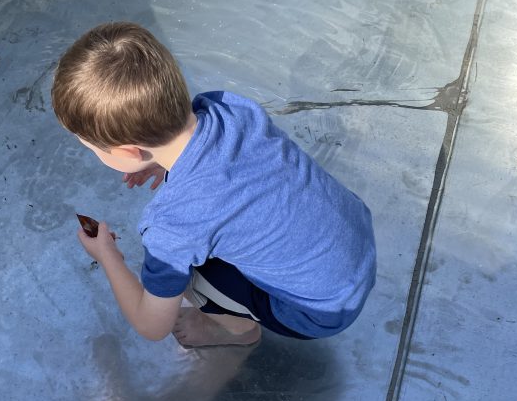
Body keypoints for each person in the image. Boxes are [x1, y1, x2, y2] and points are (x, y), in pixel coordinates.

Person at [51, 21, 376, 348]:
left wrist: (107, 255)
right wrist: (156, 162)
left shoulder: (172, 225)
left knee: (187, 275)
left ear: (127, 153)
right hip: (358, 245)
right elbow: (222, 166)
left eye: (92, 148)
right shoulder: (228, 107)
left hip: (320, 311)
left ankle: (237, 330)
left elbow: (151, 326)